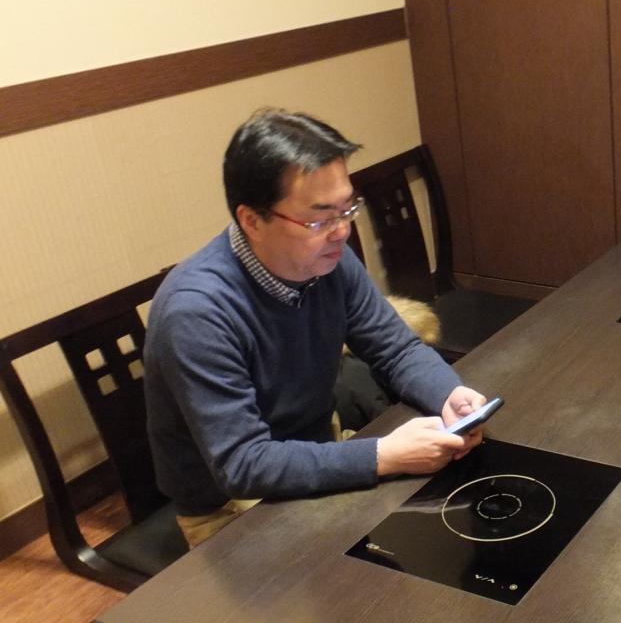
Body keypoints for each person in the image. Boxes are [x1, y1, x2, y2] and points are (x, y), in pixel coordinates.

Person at [145, 108, 487, 547]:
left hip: (319, 449)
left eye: (348, 209)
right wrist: (382, 455)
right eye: (320, 219)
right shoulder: (196, 312)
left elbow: (395, 348)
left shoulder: (327, 259)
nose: (342, 231)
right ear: (252, 220)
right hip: (231, 505)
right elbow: (244, 463)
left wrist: (449, 395)